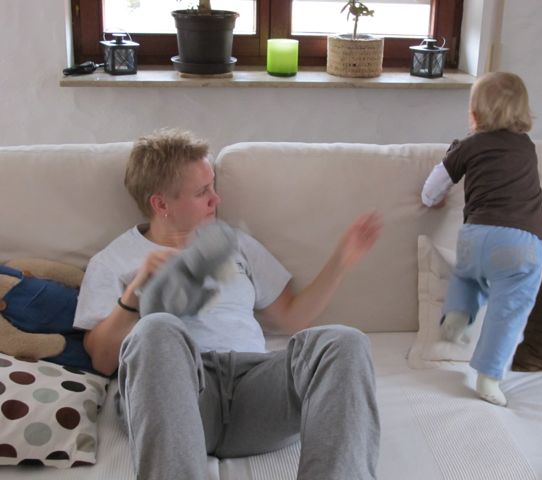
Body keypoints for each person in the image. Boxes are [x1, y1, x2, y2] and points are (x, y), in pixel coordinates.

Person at [73, 128, 382, 480]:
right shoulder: (113, 261)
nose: (216, 199)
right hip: (178, 399)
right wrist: (135, 295)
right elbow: (101, 359)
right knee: (155, 328)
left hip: (254, 389)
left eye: (213, 187)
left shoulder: (234, 243)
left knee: (345, 341)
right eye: (202, 192)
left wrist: (341, 261)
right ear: (161, 204)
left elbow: (293, 317)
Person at [421, 72, 542, 407]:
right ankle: (489, 376)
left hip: (475, 236)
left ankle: (457, 313)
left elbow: (431, 190)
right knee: (510, 307)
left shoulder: (468, 146)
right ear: (523, 114)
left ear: (474, 115)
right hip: (522, 243)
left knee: (468, 275)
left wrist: (433, 200)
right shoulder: (527, 147)